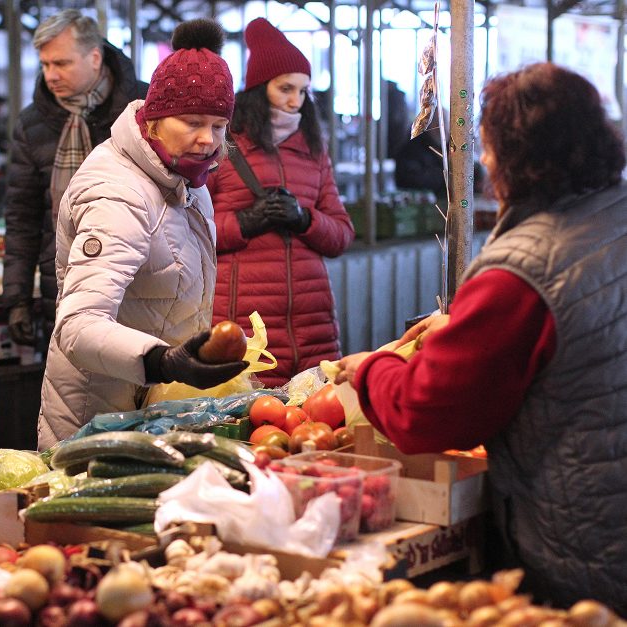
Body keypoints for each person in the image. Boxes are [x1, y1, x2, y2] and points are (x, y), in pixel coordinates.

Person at [335, 63, 627, 612]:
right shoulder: (615, 213)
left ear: (516, 158)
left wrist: (372, 369)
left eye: (488, 147)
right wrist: (464, 331)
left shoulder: (520, 272)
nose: (484, 161)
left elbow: (430, 416)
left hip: (584, 536)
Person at [37, 19, 246, 449]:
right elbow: (77, 326)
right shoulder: (119, 194)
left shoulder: (184, 180)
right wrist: (162, 362)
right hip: (99, 422)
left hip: (148, 413)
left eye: (218, 125)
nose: (207, 140)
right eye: (191, 122)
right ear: (154, 121)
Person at [207, 18, 354, 387]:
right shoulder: (223, 146)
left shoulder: (313, 150)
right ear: (258, 89)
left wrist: (305, 219)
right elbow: (187, 232)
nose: (295, 101)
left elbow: (341, 235)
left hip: (313, 325)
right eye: (285, 88)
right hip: (245, 328)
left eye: (304, 91)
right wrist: (244, 223)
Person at [3, 10, 148, 352]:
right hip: (64, 286)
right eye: (45, 65)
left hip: (138, 284)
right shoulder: (32, 124)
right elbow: (22, 218)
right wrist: (17, 299)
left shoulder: (143, 109)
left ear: (95, 57)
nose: (50, 75)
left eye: (61, 64)